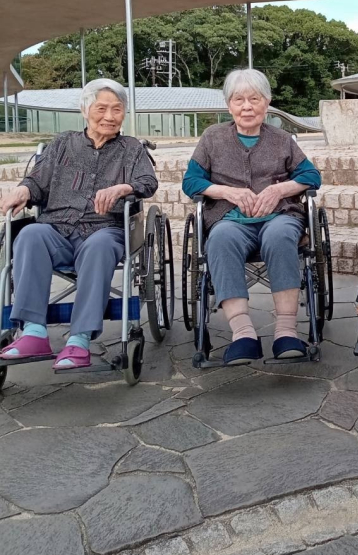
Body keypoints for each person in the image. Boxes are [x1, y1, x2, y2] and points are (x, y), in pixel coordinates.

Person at [0, 79, 158, 370]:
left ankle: (79, 339)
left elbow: (148, 182)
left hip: (105, 228)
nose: (109, 116)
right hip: (57, 228)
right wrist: (23, 190)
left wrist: (123, 187)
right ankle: (33, 332)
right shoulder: (63, 143)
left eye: (117, 109)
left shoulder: (131, 148)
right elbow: (37, 180)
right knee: (30, 234)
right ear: (85, 110)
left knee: (99, 246)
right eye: (101, 108)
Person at [182, 68, 321, 364]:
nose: (247, 107)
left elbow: (311, 176)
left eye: (254, 99)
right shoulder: (212, 137)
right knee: (220, 239)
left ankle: (286, 332)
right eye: (239, 100)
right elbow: (191, 182)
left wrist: (279, 189)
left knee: (281, 236)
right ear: (229, 105)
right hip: (229, 219)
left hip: (279, 216)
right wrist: (227, 192)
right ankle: (243, 333)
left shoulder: (281, 139)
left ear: (267, 102)